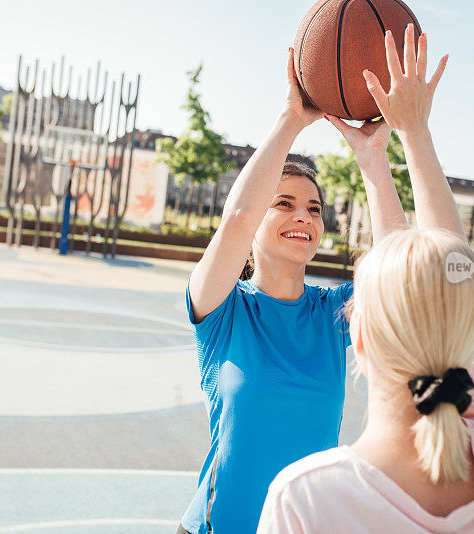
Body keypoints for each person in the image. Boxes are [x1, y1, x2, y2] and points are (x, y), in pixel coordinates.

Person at [258, 25, 474, 534]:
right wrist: (412, 134)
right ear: (467, 330)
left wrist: (385, 152)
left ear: (357, 335)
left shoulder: (308, 497)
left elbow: (446, 269)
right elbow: (449, 269)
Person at [177, 44, 414, 533]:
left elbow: (400, 268)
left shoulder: (332, 313)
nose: (303, 216)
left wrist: (372, 159)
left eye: (314, 208)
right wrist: (290, 120)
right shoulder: (223, 311)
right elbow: (239, 218)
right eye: (283, 203)